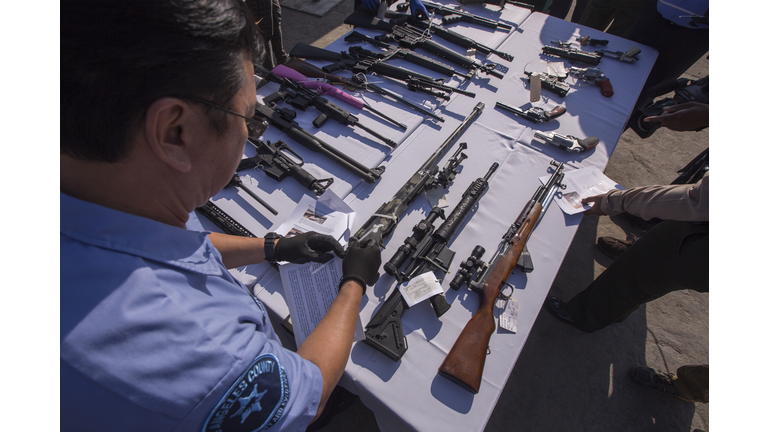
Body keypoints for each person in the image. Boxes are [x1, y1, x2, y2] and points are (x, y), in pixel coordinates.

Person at [60, 1, 382, 431]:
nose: (250, 132)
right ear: (176, 133)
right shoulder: (202, 351)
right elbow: (311, 392)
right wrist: (353, 284)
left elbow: (165, 247)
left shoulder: (114, 193)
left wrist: (272, 247)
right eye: (247, 116)